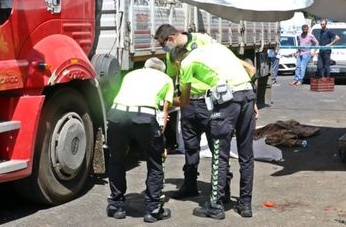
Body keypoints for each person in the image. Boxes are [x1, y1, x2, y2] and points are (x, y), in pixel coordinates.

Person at [171, 43, 257, 220]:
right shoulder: (216, 48)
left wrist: (166, 100)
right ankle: (245, 204)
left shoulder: (187, 63)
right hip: (248, 93)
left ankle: (215, 205)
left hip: (228, 99)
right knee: (246, 154)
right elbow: (251, 70)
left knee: (220, 153)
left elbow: (185, 99)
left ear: (177, 61)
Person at [106, 57, 173, 223]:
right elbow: (164, 111)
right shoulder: (166, 79)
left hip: (117, 114)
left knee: (116, 159)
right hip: (144, 116)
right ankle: (153, 209)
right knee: (154, 162)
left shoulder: (131, 74)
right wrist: (161, 136)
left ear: (145, 67)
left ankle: (117, 206)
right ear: (162, 71)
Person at [154, 23, 217, 199]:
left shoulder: (202, 40)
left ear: (171, 38)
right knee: (190, 147)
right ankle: (190, 185)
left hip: (209, 102)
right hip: (187, 104)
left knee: (216, 147)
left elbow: (220, 61)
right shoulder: (171, 55)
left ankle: (221, 189)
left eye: (162, 43)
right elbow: (172, 78)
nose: (163, 47)